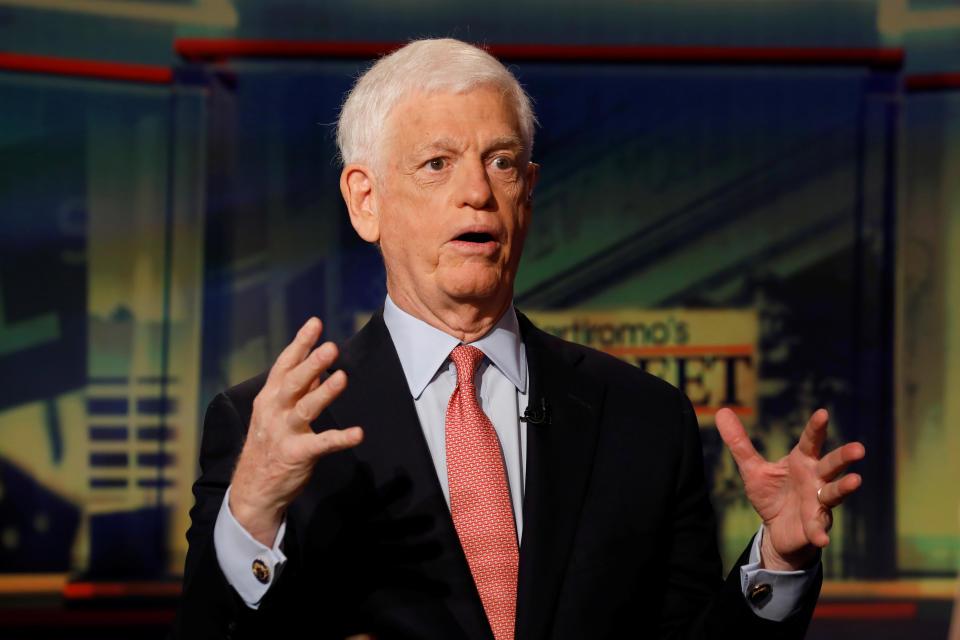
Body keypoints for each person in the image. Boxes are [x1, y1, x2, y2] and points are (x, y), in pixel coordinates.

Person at [173, 38, 866, 640]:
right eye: (437, 164)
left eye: (502, 162)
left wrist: (778, 560)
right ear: (365, 200)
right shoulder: (272, 431)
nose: (477, 190)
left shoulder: (644, 419)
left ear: (528, 193)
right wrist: (255, 509)